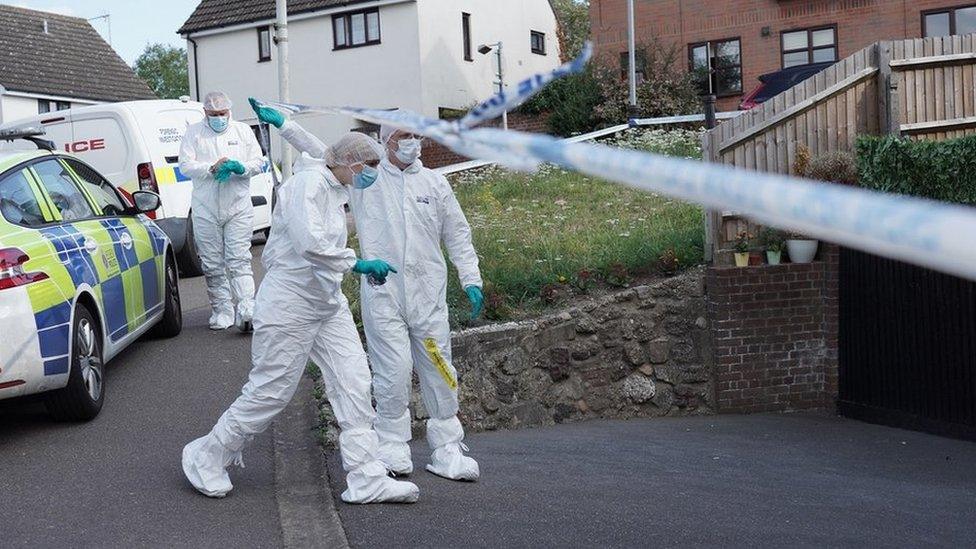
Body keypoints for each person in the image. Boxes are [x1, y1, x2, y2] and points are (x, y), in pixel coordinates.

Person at [251, 100, 484, 481]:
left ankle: (447, 447)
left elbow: (457, 233)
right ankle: (392, 444)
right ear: (387, 141)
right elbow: (326, 153)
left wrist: (471, 278)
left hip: (428, 295)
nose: (413, 143)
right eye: (405, 136)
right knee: (391, 371)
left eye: (416, 136)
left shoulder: (435, 184)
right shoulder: (367, 179)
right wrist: (286, 126)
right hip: (384, 293)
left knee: (439, 367)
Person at [182, 132, 420, 504]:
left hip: (326, 302)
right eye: (370, 165)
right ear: (349, 162)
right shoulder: (306, 185)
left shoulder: (335, 187)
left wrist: (351, 265)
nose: (374, 172)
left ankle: (366, 476)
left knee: (354, 382)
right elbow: (311, 243)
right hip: (288, 303)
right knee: (270, 392)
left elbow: (326, 246)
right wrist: (356, 262)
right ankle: (207, 455)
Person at [179, 91, 264, 332]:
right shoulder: (194, 133)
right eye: (214, 114)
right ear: (205, 112)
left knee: (239, 259)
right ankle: (222, 310)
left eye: (222, 114)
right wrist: (210, 168)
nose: (219, 118)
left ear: (230, 111)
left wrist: (240, 167)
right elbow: (185, 165)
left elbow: (258, 162)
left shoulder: (242, 132)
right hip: (205, 208)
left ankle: (247, 308)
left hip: (237, 206)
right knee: (212, 262)